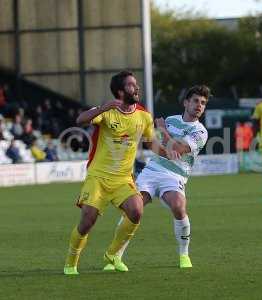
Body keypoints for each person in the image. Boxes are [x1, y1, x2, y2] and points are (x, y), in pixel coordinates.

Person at [63, 70, 175, 275]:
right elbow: (80, 120)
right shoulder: (107, 111)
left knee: (136, 210)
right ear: (120, 91)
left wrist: (168, 153)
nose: (137, 87)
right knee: (87, 220)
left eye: (135, 84)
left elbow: (151, 143)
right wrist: (102, 108)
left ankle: (112, 254)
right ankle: (71, 262)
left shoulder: (144, 115)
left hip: (123, 179)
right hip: (98, 177)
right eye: (132, 85)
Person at [104, 85, 210, 270]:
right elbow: (154, 145)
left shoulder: (200, 132)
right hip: (152, 170)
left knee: (178, 206)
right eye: (195, 101)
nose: (199, 105)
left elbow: (177, 149)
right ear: (186, 102)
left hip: (175, 175)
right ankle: (115, 256)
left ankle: (184, 255)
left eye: (203, 103)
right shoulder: (171, 120)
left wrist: (162, 129)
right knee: (132, 209)